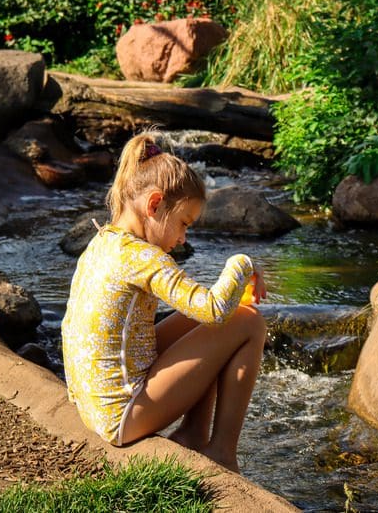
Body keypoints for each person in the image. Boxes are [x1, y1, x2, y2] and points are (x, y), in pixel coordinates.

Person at [61, 132, 267, 473]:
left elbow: (203, 311)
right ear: (154, 205)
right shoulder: (146, 258)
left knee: (210, 317)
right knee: (248, 322)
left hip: (93, 407)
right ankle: (223, 454)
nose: (184, 237)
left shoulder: (104, 242)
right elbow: (214, 309)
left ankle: (193, 434)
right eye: (184, 223)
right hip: (122, 417)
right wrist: (243, 263)